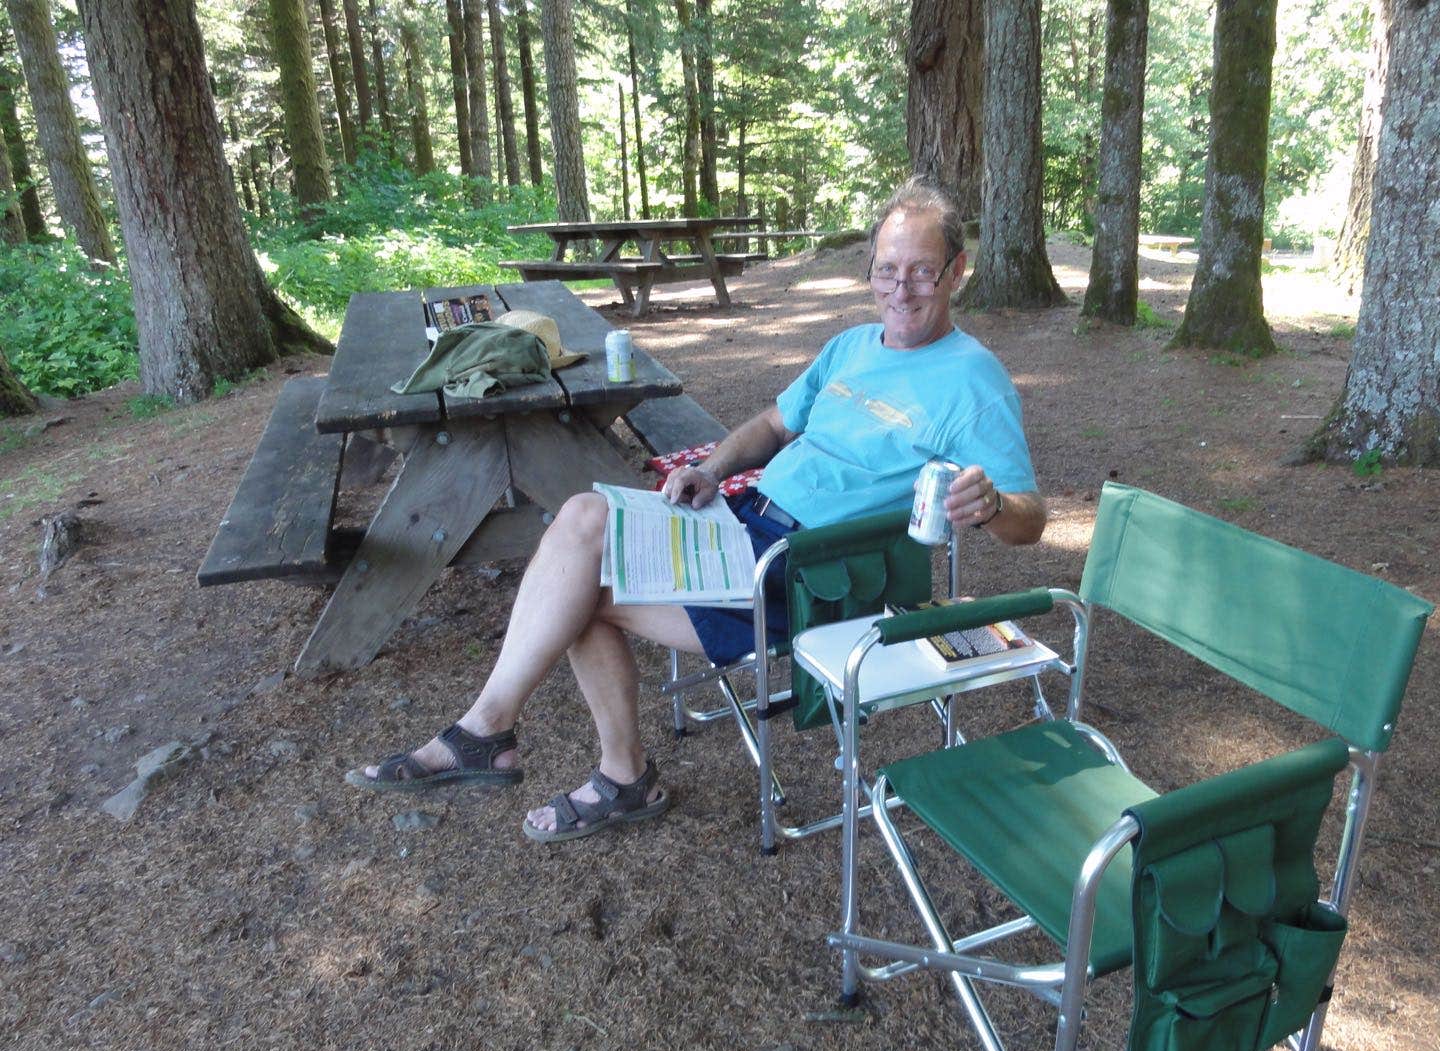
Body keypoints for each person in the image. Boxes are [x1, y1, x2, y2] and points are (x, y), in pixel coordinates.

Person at [347, 177, 1047, 843]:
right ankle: (506, 737)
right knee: (584, 516)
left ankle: (549, 754)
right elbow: (774, 426)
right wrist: (710, 469)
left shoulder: (974, 383)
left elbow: (1031, 520)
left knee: (578, 593)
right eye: (887, 269)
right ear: (869, 270)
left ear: (957, 272)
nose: (902, 289)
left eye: (922, 272)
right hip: (746, 525)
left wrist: (991, 506)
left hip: (808, 573)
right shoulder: (852, 347)